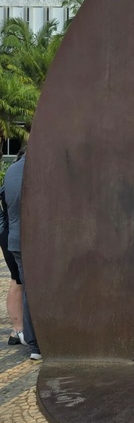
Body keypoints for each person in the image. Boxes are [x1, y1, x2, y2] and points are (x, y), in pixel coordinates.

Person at [2, 148, 40, 360]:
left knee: (28, 291)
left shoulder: (12, 170)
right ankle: (42, 342)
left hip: (16, 239)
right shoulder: (39, 169)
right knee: (39, 292)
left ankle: (35, 345)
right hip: (36, 241)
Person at [0, 184, 23, 345]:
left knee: (16, 281)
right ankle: (18, 329)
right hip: (10, 234)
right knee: (17, 281)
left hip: (8, 233)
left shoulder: (7, 182)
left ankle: (18, 329)